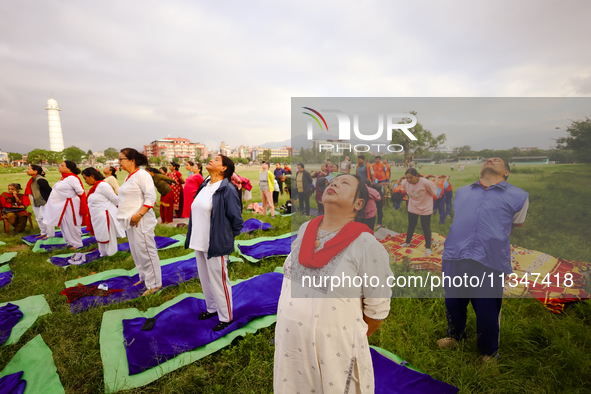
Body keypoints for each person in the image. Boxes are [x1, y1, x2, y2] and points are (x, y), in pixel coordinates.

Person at [274, 174, 393, 393]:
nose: (334, 184)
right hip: (290, 339)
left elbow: (377, 310)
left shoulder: (366, 244)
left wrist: (342, 334)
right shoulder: (305, 230)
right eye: (332, 182)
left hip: (334, 349)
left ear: (358, 204)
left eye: (345, 183)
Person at [438, 158, 529, 362]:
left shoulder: (519, 196)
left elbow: (512, 227)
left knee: (487, 308)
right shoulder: (462, 192)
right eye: (488, 159)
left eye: (498, 161)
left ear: (506, 172)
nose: (491, 160)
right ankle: (455, 335)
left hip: (489, 258)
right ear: (481, 169)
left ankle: (488, 353)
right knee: (453, 301)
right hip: (455, 253)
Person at [185, 155, 244, 332]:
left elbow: (237, 220)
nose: (211, 160)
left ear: (223, 168)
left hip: (216, 243)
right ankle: (212, 308)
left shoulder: (227, 189)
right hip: (199, 240)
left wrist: (224, 237)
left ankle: (226, 316)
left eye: (216, 159)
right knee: (205, 278)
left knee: (219, 280)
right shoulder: (205, 184)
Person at [116, 148, 162, 296]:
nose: (119, 162)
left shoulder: (142, 175)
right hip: (130, 220)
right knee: (136, 251)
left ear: (132, 160)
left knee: (146, 251)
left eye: (121, 158)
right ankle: (144, 277)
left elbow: (150, 197)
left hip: (140, 220)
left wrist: (139, 215)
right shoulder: (129, 176)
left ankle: (155, 284)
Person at [43, 161, 89, 249]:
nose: (59, 167)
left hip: (70, 204)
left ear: (68, 169)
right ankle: (70, 241)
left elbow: (80, 191)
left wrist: (69, 196)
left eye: (62, 165)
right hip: (63, 205)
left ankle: (77, 243)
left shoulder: (72, 178)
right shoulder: (64, 178)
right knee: (64, 223)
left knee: (72, 223)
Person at [81, 167, 124, 257]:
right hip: (98, 216)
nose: (85, 181)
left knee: (108, 235)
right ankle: (103, 253)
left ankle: (111, 254)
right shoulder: (96, 187)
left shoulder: (103, 186)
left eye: (85, 178)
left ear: (92, 176)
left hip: (105, 215)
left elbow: (115, 199)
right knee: (101, 235)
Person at [398, 168, 437, 255]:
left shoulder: (426, 183)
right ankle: (407, 242)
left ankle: (427, 247)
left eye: (411, 178)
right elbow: (407, 190)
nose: (408, 180)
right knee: (411, 225)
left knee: (425, 227)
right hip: (413, 207)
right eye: (407, 177)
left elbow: (434, 193)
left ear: (416, 176)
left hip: (425, 207)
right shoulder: (404, 183)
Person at [24, 165, 53, 238]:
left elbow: (50, 191)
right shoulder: (33, 179)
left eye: (29, 169)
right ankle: (43, 233)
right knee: (39, 218)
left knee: (46, 218)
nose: (27, 170)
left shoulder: (40, 180)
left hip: (43, 202)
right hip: (36, 201)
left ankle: (49, 235)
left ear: (35, 171)